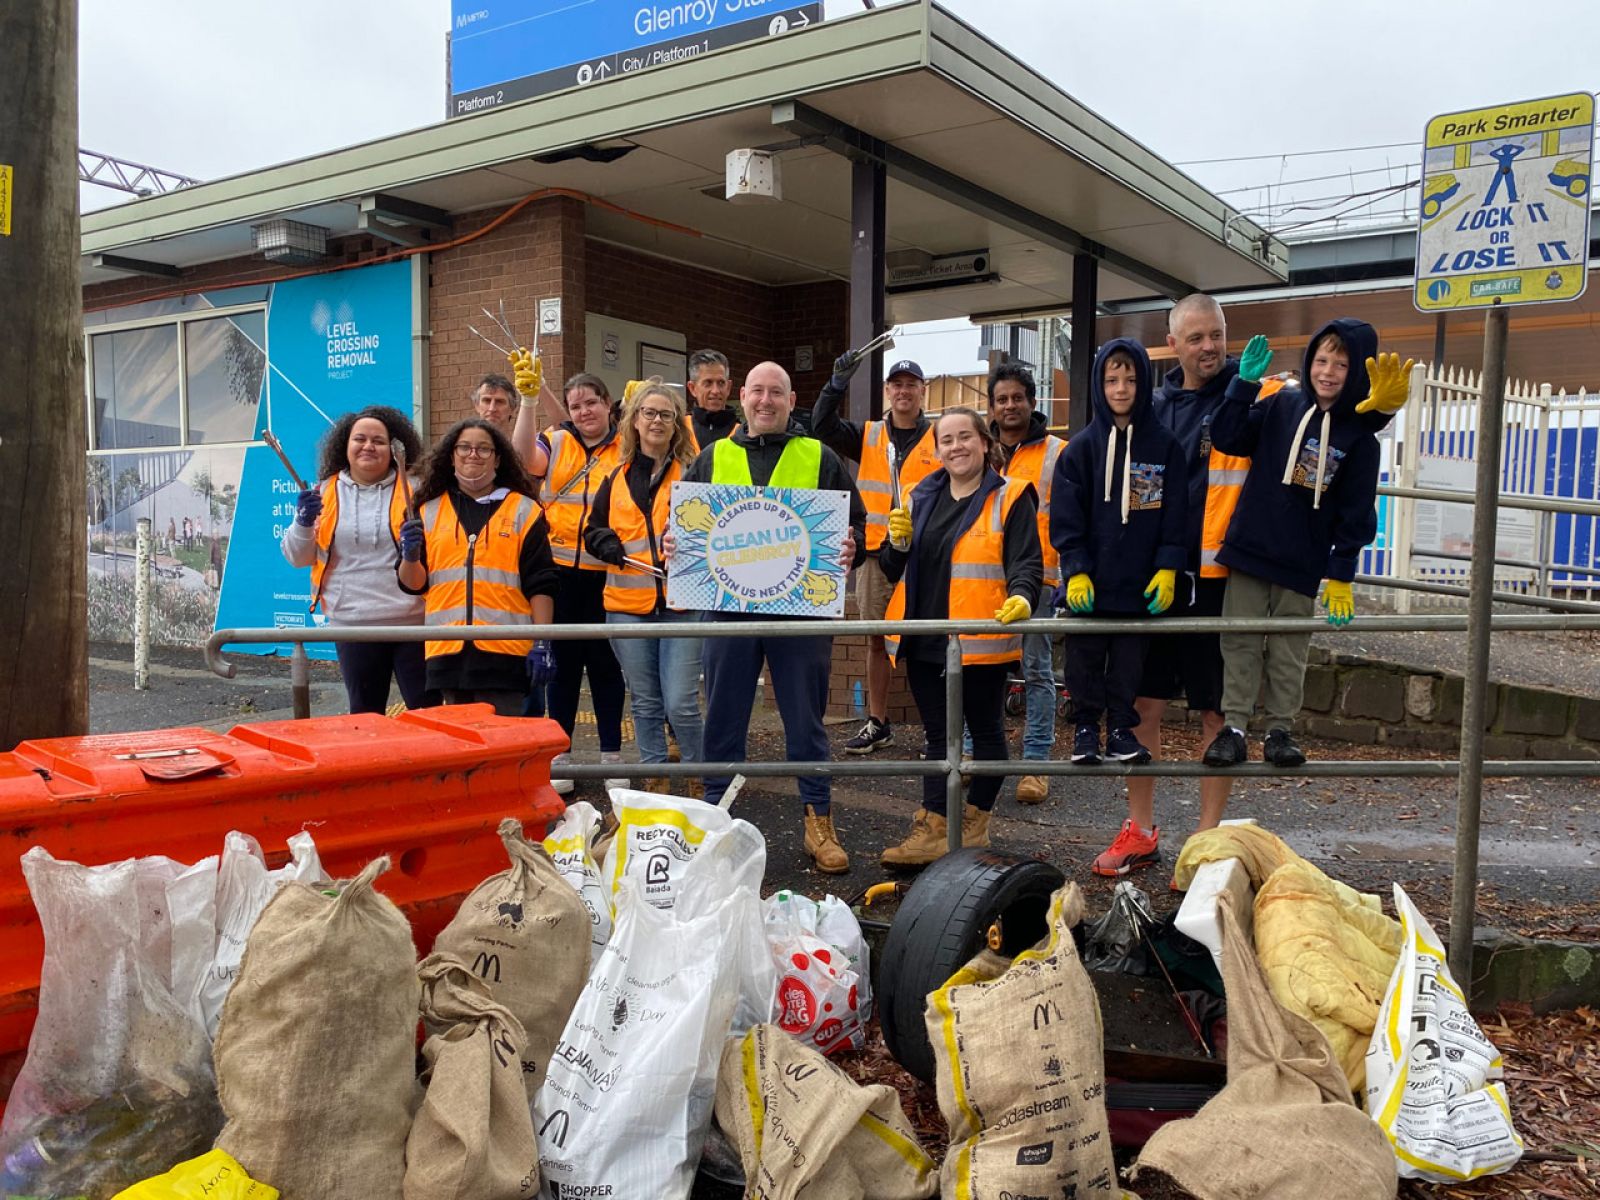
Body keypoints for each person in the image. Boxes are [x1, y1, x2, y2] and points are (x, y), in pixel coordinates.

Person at [668, 361, 865, 873]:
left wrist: (852, 546)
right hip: (729, 610)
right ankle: (714, 822)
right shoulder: (713, 457)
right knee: (723, 719)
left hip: (801, 614)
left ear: (790, 398)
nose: (766, 401)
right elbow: (686, 526)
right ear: (742, 397)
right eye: (757, 391)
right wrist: (675, 543)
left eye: (776, 392)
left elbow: (857, 526)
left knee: (806, 720)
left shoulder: (819, 456)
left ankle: (817, 820)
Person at [1202, 323, 1406, 768]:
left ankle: (1280, 729)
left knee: (1289, 646)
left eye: (1341, 364)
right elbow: (1229, 437)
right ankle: (1234, 727)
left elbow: (1356, 510)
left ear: (1358, 372)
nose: (1328, 372)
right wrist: (1243, 386)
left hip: (1303, 559)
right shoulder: (1280, 405)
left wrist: (1342, 571)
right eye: (1321, 360)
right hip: (1251, 547)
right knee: (1239, 641)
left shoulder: (1360, 439)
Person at [878, 407, 1041, 867]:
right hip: (924, 636)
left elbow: (1026, 561)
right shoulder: (918, 495)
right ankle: (933, 823)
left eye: (964, 437)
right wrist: (897, 543)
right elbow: (893, 569)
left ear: (985, 442)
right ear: (937, 451)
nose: (955, 447)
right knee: (937, 736)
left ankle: (975, 820)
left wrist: (1025, 597)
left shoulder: (1009, 497)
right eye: (945, 440)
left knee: (986, 732)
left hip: (980, 637)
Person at [1052, 340, 1187, 801]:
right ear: (1098, 384)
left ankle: (1120, 731)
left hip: (1140, 588)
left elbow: (1176, 516)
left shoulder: (1165, 447)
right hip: (1090, 588)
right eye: (1112, 379)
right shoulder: (1079, 451)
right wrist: (1075, 570)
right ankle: (1087, 728)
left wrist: (1169, 567)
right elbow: (1066, 518)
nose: (1121, 388)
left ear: (1143, 382)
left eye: (1130, 379)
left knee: (1129, 666)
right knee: (1083, 662)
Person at [812, 355, 942, 758]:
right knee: (875, 640)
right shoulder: (867, 434)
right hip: (875, 555)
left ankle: (939, 731)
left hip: (925, 555)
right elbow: (821, 426)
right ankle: (878, 722)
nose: (903, 391)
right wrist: (835, 384)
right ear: (888, 391)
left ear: (923, 390)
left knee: (931, 641)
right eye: (896, 384)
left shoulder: (940, 437)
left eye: (911, 384)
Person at [584, 382, 704, 787]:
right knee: (646, 703)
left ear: (677, 426)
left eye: (666, 415)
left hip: (683, 604)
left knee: (681, 703)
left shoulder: (693, 474)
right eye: (649, 413)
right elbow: (592, 530)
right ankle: (654, 781)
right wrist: (605, 542)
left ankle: (700, 777)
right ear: (634, 421)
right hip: (626, 604)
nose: (656, 421)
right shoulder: (614, 477)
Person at [281, 405, 435, 714]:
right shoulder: (324, 492)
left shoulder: (417, 490)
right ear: (345, 446)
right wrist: (302, 522)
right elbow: (298, 558)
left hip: (415, 623)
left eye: (378, 440)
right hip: (352, 624)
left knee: (427, 712)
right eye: (359, 439)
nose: (368, 446)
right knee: (365, 716)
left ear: (394, 449)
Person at [397, 418, 557, 715]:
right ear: (451, 455)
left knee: (504, 748)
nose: (473, 454)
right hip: (448, 655)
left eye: (484, 449)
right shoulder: (427, 510)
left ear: (498, 458)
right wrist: (410, 555)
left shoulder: (524, 510)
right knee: (463, 751)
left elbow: (542, 583)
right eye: (465, 448)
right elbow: (414, 584)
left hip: (506, 654)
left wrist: (542, 640)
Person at [535, 373, 628, 794]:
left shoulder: (628, 445)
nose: (584, 411)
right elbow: (523, 462)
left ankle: (612, 755)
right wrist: (528, 396)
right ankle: (562, 754)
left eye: (591, 402)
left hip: (607, 572)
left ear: (609, 403)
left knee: (607, 668)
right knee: (563, 670)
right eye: (575, 406)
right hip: (560, 573)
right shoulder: (554, 442)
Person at [988, 364, 1067, 803]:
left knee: (1037, 670)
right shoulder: (982, 450)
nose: (1010, 405)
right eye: (1001, 399)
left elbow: (1070, 516)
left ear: (1032, 402)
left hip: (1039, 577)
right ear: (993, 407)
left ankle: (1035, 764)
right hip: (985, 577)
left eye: (1017, 397)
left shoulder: (1057, 451)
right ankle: (978, 755)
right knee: (983, 667)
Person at [685, 348, 737, 451]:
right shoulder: (678, 430)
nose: (715, 391)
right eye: (708, 383)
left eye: (721, 383)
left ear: (729, 387)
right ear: (692, 388)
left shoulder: (744, 433)